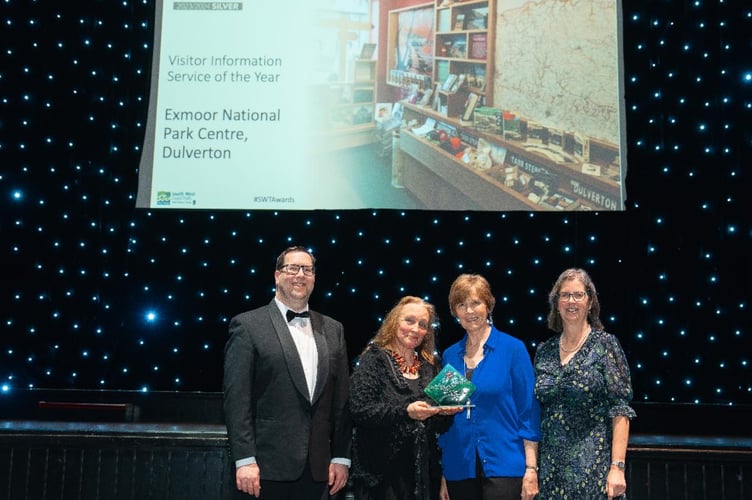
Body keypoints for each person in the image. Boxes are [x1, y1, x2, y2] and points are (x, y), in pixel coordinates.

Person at [223, 246, 352, 499]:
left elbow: (341, 401)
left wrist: (340, 456)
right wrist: (245, 459)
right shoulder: (248, 325)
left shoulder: (334, 329)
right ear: (277, 275)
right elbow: (237, 399)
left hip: (319, 470)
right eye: (292, 268)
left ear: (314, 277)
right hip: (264, 469)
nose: (300, 275)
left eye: (307, 269)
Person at [533, 268, 636, 499]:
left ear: (590, 302)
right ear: (556, 303)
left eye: (578, 295)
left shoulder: (605, 345)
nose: (572, 301)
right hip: (550, 472)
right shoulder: (544, 351)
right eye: (565, 295)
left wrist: (617, 468)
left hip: (593, 471)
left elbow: (620, 409)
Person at [439, 274, 541, 500]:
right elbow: (447, 419)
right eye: (461, 305)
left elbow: (528, 412)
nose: (469, 311)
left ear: (489, 305)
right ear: (455, 312)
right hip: (459, 467)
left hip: (505, 465)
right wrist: (445, 474)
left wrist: (531, 469)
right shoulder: (450, 356)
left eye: (476, 303)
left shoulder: (513, 349)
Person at [348, 296, 462, 500]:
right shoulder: (374, 359)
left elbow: (438, 427)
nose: (415, 329)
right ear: (394, 322)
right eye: (409, 320)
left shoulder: (429, 367)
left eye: (422, 325)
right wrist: (407, 411)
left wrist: (445, 413)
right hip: (381, 477)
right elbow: (360, 410)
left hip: (422, 475)